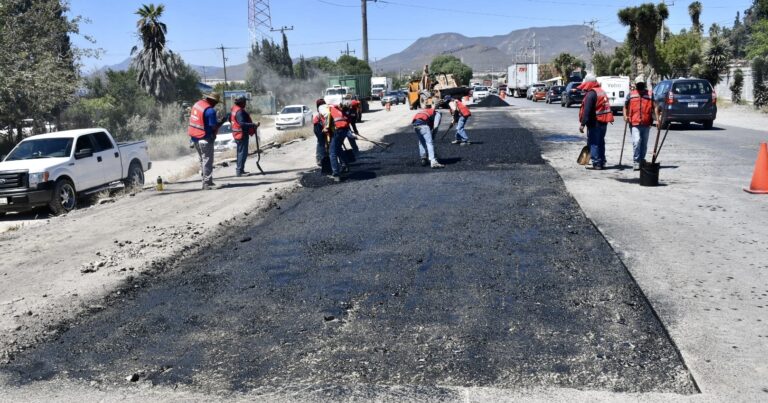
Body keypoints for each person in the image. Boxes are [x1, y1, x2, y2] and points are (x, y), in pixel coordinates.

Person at [188, 92, 228, 189]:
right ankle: (207, 183)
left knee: (202, 160)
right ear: (212, 100)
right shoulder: (210, 111)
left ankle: (205, 180)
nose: (216, 104)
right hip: (205, 138)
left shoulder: (197, 105)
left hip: (194, 138)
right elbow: (213, 127)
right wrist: (222, 121)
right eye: (216, 102)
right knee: (207, 161)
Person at [578, 75, 614, 170]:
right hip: (604, 122)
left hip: (595, 123)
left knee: (593, 143)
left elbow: (587, 110)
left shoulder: (591, 94)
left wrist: (582, 124)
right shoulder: (601, 91)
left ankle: (596, 163)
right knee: (601, 142)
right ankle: (602, 161)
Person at [623, 75, 653, 171]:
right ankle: (636, 161)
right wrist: (625, 116)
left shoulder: (650, 94)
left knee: (644, 144)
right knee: (636, 142)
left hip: (646, 122)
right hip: (634, 123)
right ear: (636, 85)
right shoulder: (631, 95)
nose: (640, 85)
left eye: (642, 84)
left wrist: (658, 119)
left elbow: (655, 106)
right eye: (639, 84)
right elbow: (625, 106)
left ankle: (642, 159)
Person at [230, 96, 260, 177]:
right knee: (242, 153)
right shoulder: (239, 111)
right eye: (244, 102)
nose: (245, 104)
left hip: (237, 134)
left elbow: (231, 119)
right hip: (241, 134)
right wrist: (254, 124)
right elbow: (242, 123)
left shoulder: (234, 109)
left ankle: (240, 170)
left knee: (241, 153)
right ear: (242, 103)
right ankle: (239, 171)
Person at [325, 103, 351, 182]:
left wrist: (326, 130)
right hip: (344, 130)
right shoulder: (338, 109)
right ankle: (345, 165)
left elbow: (327, 126)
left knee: (332, 152)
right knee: (338, 148)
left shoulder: (328, 110)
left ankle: (336, 174)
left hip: (338, 131)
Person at [313, 98, 328, 167]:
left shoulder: (326, 109)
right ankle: (320, 159)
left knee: (327, 141)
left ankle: (325, 156)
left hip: (323, 126)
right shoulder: (320, 112)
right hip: (318, 126)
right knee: (321, 142)